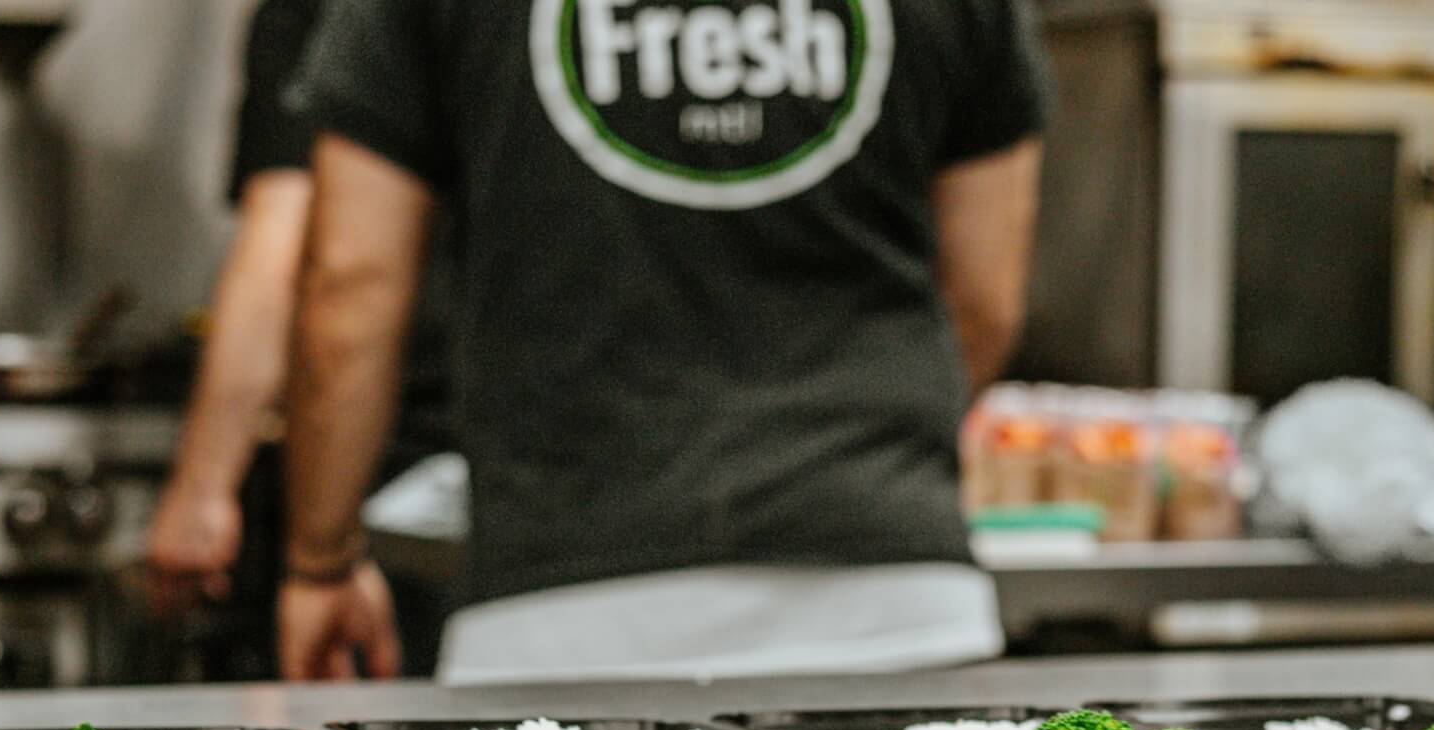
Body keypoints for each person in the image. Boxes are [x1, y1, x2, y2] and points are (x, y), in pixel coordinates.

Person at [279, 0, 1045, 686]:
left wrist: (321, 563)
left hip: (561, 616)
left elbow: (354, 285)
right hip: (896, 602)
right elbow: (983, 300)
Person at [146, 0, 453, 675]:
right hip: (538, 481)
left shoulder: (323, 11)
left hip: (382, 478)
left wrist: (204, 486)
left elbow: (301, 252)